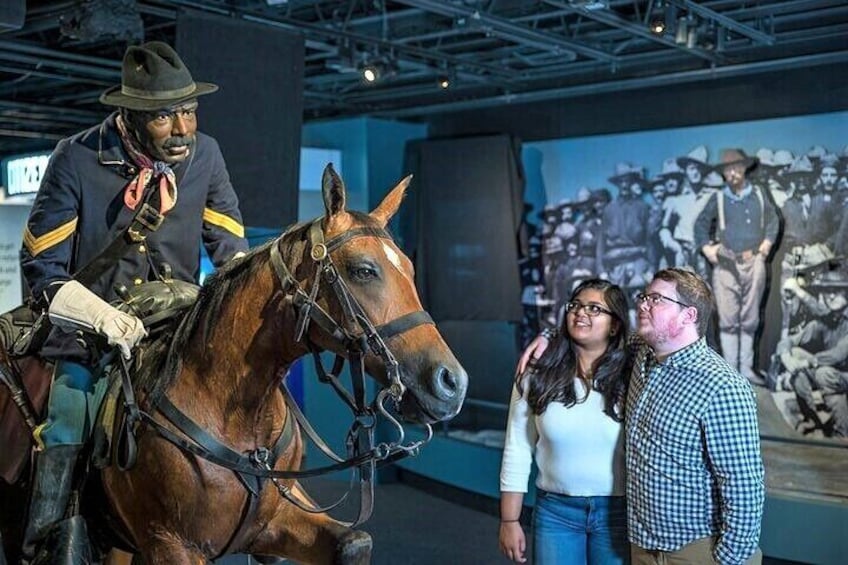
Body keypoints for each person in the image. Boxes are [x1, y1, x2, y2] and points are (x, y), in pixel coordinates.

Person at [19, 41, 248, 559]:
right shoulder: (74, 159)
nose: (183, 129)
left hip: (175, 329)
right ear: (130, 114)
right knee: (68, 413)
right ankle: (51, 540)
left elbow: (232, 251)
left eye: (188, 112)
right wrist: (104, 318)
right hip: (91, 337)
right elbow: (42, 274)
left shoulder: (206, 154)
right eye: (165, 117)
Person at [518, 268, 765, 565]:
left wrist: (728, 560)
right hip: (643, 548)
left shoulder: (722, 386)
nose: (643, 305)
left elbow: (744, 487)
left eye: (656, 300)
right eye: (644, 297)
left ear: (688, 316)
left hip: (696, 551)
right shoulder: (641, 353)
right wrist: (550, 335)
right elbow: (593, 331)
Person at [499, 279, 631, 565]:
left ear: (615, 325)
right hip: (555, 512)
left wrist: (547, 333)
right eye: (575, 305)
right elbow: (517, 447)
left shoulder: (633, 375)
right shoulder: (535, 371)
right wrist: (509, 519)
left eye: (595, 308)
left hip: (618, 514)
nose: (581, 313)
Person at [695, 149, 779, 386]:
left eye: (735, 168)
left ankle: (747, 370)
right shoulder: (719, 198)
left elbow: (773, 222)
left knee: (750, 318)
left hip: (753, 262)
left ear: (744, 168)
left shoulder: (759, 195)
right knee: (729, 319)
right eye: (727, 170)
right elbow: (700, 226)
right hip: (725, 265)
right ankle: (732, 373)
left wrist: (765, 247)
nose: (731, 173)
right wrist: (707, 249)